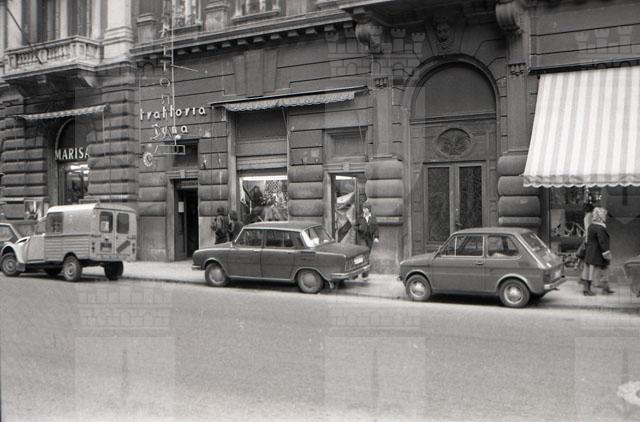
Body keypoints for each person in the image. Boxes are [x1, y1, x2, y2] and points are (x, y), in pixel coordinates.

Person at [582, 207, 613, 296]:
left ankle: (602, 288)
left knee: (590, 270)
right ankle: (588, 290)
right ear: (601, 216)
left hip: (590, 251)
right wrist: (606, 253)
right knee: (596, 270)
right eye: (604, 215)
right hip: (597, 252)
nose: (606, 217)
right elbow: (602, 242)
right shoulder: (600, 228)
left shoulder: (592, 226)